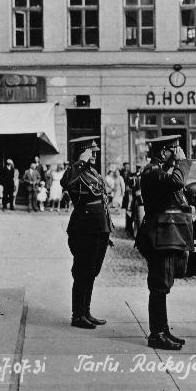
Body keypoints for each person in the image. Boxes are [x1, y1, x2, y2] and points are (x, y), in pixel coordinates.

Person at [137, 134, 193, 350]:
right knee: (159, 286)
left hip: (165, 235)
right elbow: (177, 182)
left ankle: (163, 329)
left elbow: (175, 187)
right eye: (174, 149)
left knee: (163, 284)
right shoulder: (152, 171)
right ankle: (157, 334)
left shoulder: (160, 170)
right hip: (159, 236)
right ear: (163, 152)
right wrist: (183, 162)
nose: (177, 152)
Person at [62, 136, 112, 329]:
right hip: (84, 228)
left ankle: (86, 311)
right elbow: (66, 182)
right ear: (83, 152)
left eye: (96, 151)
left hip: (99, 227)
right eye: (91, 151)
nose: (95, 154)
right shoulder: (76, 171)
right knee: (82, 271)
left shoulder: (92, 171)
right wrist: (80, 161)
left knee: (92, 271)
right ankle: (77, 315)